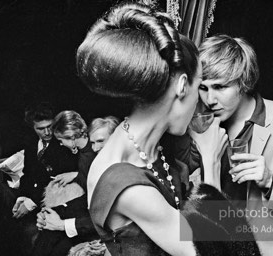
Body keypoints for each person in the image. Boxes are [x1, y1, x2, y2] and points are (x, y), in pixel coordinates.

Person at [76, 2, 219, 255]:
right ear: (182, 86)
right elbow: (209, 250)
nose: (203, 101)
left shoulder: (147, 143)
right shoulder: (126, 185)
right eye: (200, 88)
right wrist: (211, 159)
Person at [181, 34, 273, 256]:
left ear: (243, 82)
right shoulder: (196, 123)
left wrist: (271, 181)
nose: (210, 99)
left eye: (220, 87)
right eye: (203, 88)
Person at [12, 102, 78, 255]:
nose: (48, 132)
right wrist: (22, 196)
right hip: (37, 197)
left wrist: (31, 202)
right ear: (32, 127)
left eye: (50, 126)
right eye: (40, 129)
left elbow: (56, 180)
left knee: (35, 233)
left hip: (60, 198)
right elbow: (28, 174)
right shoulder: (30, 144)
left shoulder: (63, 143)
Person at [33, 110, 98, 256]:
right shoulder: (84, 154)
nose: (61, 144)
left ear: (72, 137)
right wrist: (59, 209)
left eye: (61, 140)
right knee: (49, 223)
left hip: (92, 214)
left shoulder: (89, 156)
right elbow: (86, 179)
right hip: (87, 207)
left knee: (50, 236)